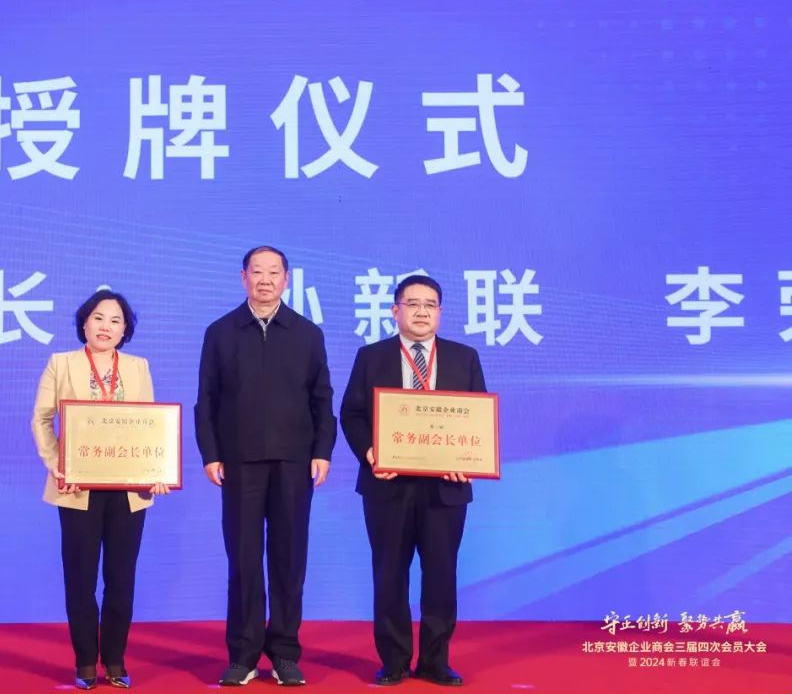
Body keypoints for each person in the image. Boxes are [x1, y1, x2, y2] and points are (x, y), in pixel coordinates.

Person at [195, 246, 336, 687]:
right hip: (240, 462)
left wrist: (323, 451)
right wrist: (210, 453)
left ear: (286, 280)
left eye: (274, 272)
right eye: (257, 272)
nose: (265, 280)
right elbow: (206, 400)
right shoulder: (221, 331)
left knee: (289, 560)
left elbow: (322, 398)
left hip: (295, 462)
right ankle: (242, 654)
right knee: (243, 559)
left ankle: (286, 653)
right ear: (243, 278)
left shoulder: (307, 334)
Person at [340, 274, 486, 687]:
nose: (422, 312)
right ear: (395, 310)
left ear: (440, 312)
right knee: (389, 574)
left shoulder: (464, 357)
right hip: (388, 484)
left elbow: (478, 416)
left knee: (441, 574)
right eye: (413, 304)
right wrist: (370, 453)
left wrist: (467, 459)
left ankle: (436, 661)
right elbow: (352, 413)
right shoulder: (371, 357)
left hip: (446, 487)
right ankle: (394, 661)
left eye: (430, 305)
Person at [31, 290, 170, 691]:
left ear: (125, 330)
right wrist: (57, 464)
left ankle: (115, 659)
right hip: (77, 488)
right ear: (84, 323)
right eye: (98, 318)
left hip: (128, 489)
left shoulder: (138, 367)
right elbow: (41, 419)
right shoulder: (61, 363)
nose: (105, 327)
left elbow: (150, 427)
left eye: (115, 320)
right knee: (80, 578)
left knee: (121, 578)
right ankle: (84, 662)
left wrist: (156, 470)